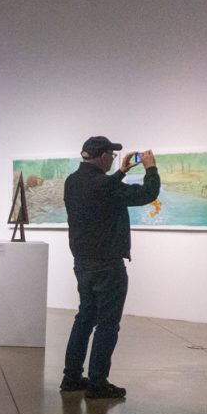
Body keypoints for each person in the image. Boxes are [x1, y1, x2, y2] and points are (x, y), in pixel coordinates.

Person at [61, 136, 160, 399]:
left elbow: (99, 190)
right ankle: (97, 382)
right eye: (112, 156)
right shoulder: (105, 185)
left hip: (82, 264)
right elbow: (147, 194)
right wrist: (151, 168)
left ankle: (71, 377)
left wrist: (120, 173)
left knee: (84, 318)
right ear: (103, 156)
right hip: (107, 266)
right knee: (107, 324)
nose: (113, 159)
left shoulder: (72, 182)